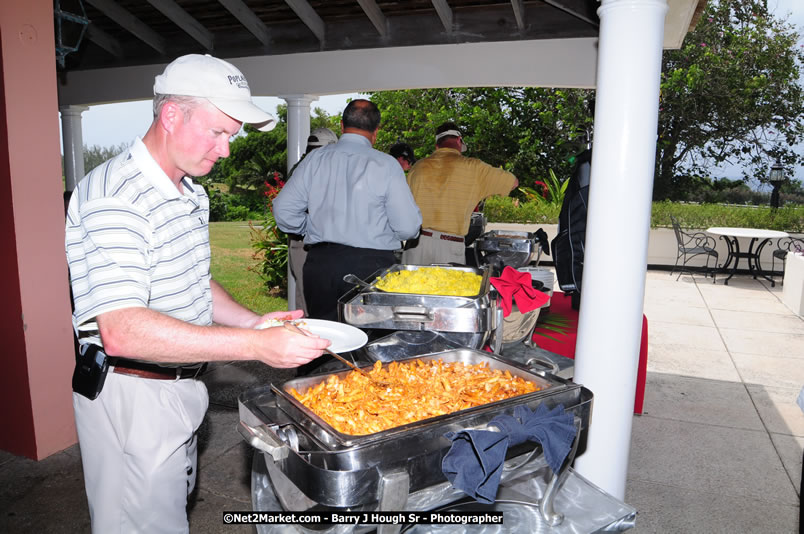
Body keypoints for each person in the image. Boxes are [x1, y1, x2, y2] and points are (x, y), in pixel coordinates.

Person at [64, 54, 331, 534]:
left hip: (180, 387)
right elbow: (122, 332)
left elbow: (192, 279)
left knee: (169, 513)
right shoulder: (116, 196)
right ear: (171, 115)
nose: (226, 150)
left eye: (231, 136)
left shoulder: (187, 191)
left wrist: (253, 324)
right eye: (217, 132)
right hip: (133, 395)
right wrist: (256, 348)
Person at [273, 99, 422, 324]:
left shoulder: (315, 159)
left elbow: (283, 210)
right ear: (376, 132)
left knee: (327, 341)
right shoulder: (387, 165)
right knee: (370, 340)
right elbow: (409, 227)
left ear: (342, 126)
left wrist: (307, 227)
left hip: (321, 264)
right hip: (371, 268)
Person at [402, 121, 518, 265]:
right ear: (458, 140)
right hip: (449, 246)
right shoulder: (474, 167)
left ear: (437, 145)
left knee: (409, 288)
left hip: (415, 246)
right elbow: (513, 183)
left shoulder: (417, 167)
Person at [287, 127, 339, 315]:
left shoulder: (300, 168)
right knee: (314, 301)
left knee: (307, 298)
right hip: (310, 243)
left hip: (303, 243)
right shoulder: (313, 170)